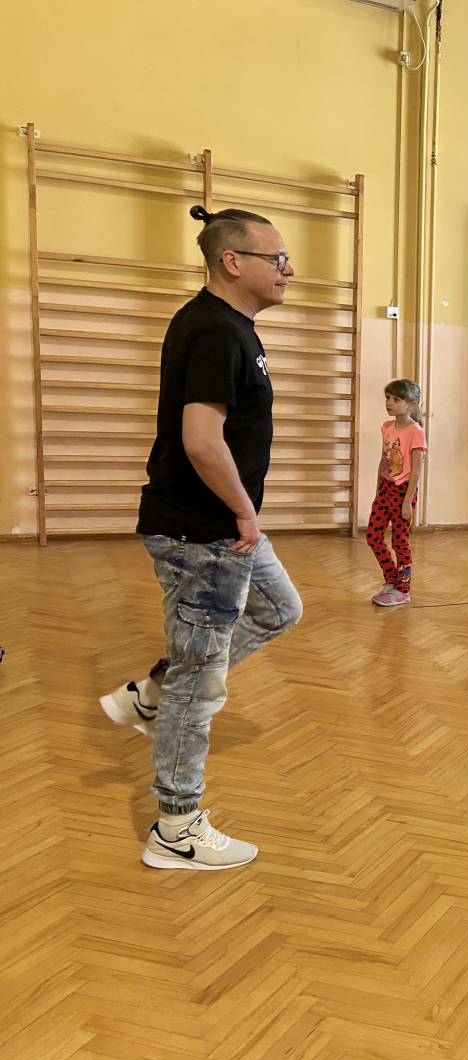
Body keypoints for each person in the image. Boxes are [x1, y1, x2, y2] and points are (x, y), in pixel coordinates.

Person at [98, 205, 302, 871]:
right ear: (232, 262)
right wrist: (244, 512)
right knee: (201, 683)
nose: (289, 270)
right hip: (205, 532)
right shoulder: (215, 329)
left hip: (219, 527)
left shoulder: (229, 326)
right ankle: (176, 828)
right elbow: (201, 440)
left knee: (280, 609)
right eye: (277, 258)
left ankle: (153, 692)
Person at [367, 379, 427, 607]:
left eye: (396, 399)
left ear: (410, 405)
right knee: (373, 536)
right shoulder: (387, 427)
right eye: (388, 398)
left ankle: (403, 589)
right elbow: (383, 460)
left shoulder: (415, 432)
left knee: (400, 542)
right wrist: (378, 490)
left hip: (403, 492)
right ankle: (392, 579)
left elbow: (416, 471)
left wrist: (407, 502)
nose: (389, 403)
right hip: (385, 489)